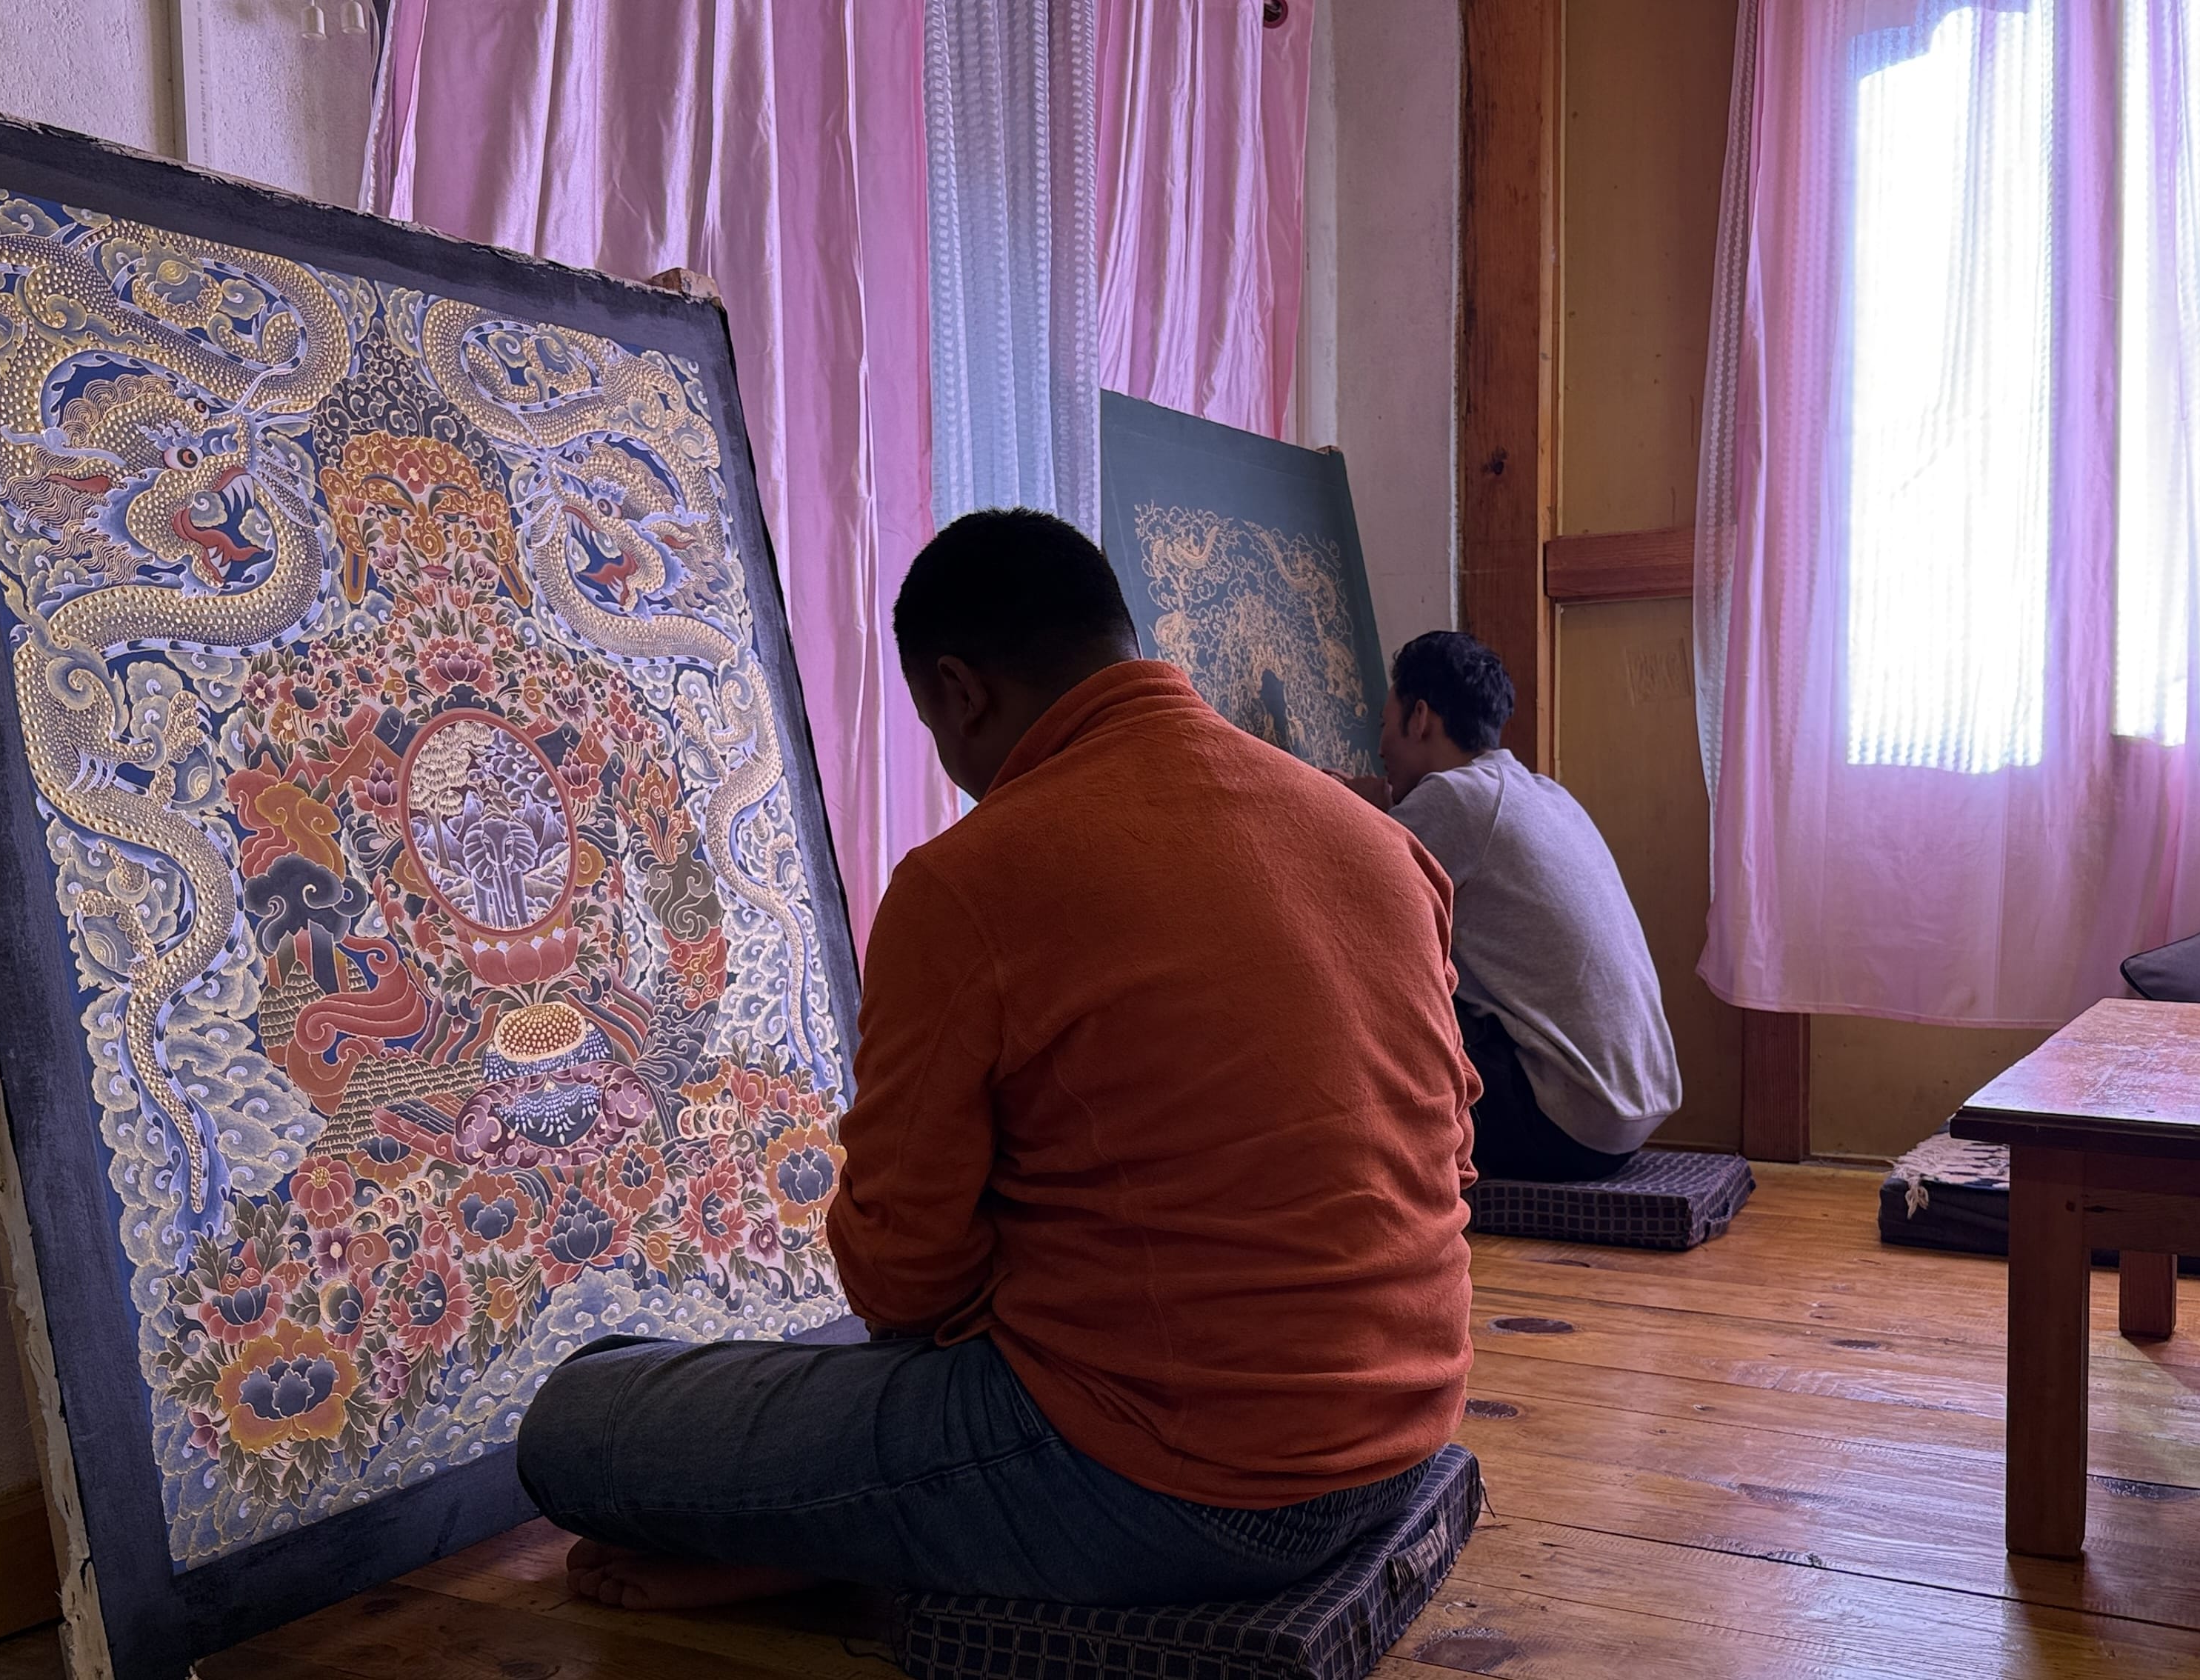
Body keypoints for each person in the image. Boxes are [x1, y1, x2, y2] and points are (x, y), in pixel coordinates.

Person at [521, 508, 1479, 1610]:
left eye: (935, 723)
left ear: (960, 690)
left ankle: (852, 1543)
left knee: (581, 1417)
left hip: (1170, 1485)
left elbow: (900, 1277)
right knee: (787, 1390)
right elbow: (1447, 1159)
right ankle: (855, 1533)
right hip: (1406, 1436)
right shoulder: (1379, 840)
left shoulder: (973, 879)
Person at [1343, 630, 1682, 1182]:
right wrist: (1368, 794)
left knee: (1365, 978)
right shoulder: (1543, 793)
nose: (1381, 747)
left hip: (1562, 1124)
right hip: (1627, 1116)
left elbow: (1349, 895)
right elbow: (1396, 807)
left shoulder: (1454, 801)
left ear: (1420, 718)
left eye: (1385, 724)